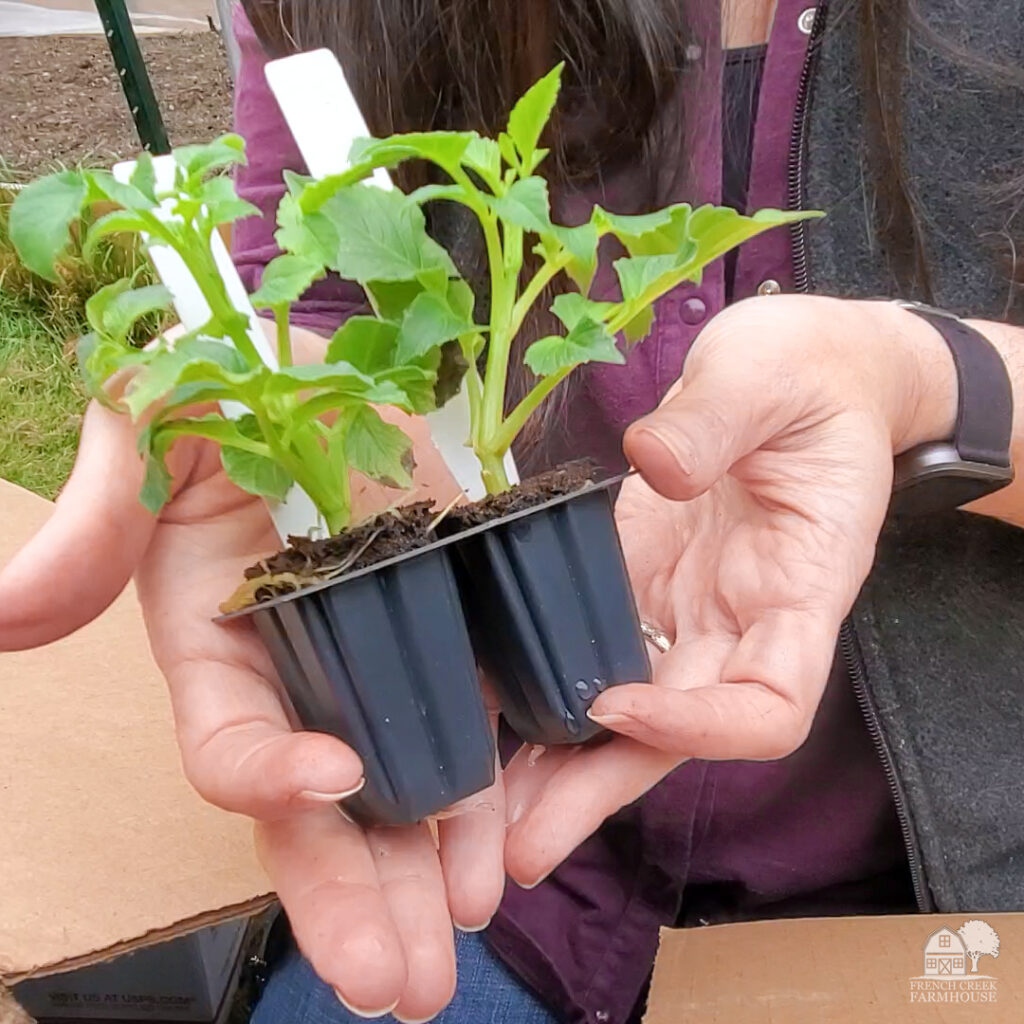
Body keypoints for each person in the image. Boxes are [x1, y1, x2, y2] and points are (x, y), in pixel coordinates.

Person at [4, 0, 1024, 1022]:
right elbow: (314, 288)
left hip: (953, 875)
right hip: (506, 850)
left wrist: (932, 378)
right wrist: (263, 395)